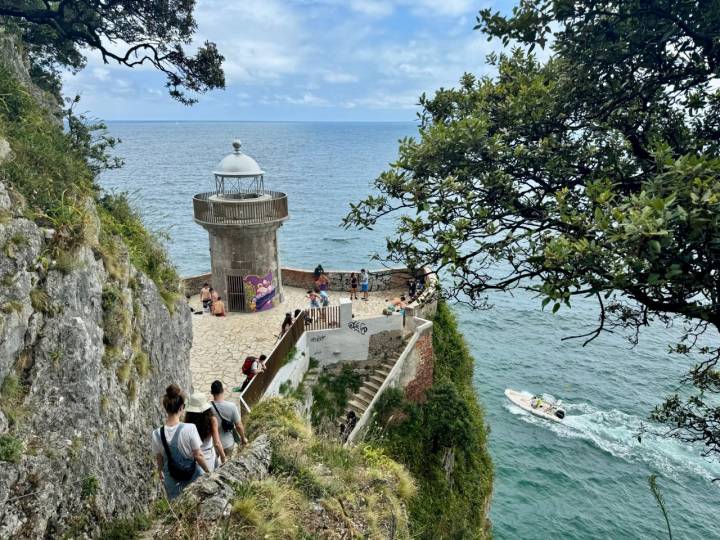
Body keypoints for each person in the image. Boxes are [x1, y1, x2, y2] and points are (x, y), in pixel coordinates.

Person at [151, 385, 210, 500]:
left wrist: (160, 472)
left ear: (165, 407)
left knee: (178, 507)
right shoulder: (190, 429)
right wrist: (208, 471)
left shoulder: (156, 434)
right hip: (192, 476)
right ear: (182, 407)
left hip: (172, 480)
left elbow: (159, 458)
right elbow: (198, 455)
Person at [183, 392, 227, 471]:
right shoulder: (212, 420)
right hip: (209, 456)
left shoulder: (187, 422)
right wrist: (223, 457)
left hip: (194, 458)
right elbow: (217, 443)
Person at [210, 380, 249, 459]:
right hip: (228, 443)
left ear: (211, 392)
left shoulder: (207, 408)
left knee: (216, 462)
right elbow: (238, 425)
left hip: (214, 443)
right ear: (222, 390)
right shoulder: (232, 406)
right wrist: (243, 438)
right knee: (226, 463)